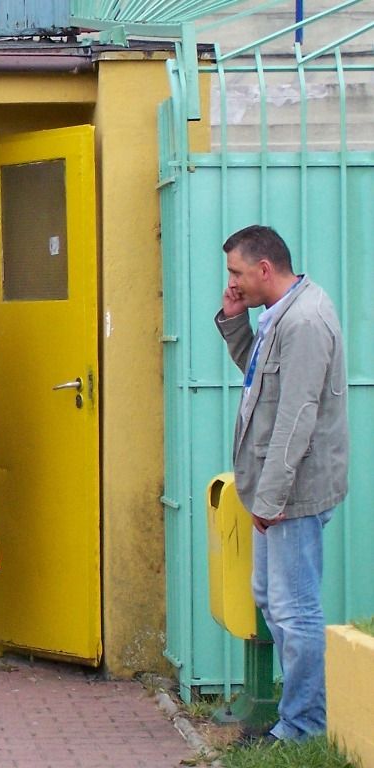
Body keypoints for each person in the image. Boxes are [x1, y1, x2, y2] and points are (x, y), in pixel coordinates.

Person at [215, 224, 348, 743]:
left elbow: (296, 417)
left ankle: (304, 726)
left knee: (295, 611)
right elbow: (260, 379)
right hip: (275, 493)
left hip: (293, 493)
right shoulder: (280, 314)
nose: (232, 281)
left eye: (237, 272)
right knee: (272, 601)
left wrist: (270, 499)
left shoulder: (305, 322)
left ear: (265, 269)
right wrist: (234, 321)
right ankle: (297, 714)